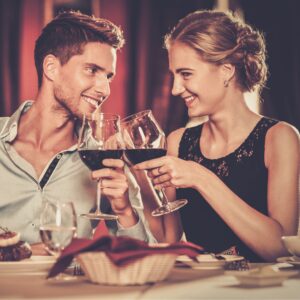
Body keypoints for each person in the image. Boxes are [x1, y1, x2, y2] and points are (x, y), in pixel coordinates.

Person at [135, 10, 300, 262]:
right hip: (202, 288)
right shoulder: (178, 141)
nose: (176, 89)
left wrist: (201, 177)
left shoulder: (279, 138)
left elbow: (280, 249)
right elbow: (168, 237)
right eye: (174, 75)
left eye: (186, 74)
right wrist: (138, 174)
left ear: (226, 71)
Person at [0, 11, 154, 255]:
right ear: (51, 67)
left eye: (108, 76)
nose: (104, 89)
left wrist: (124, 210)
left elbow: (142, 257)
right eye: (92, 70)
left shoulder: (106, 161)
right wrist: (25, 251)